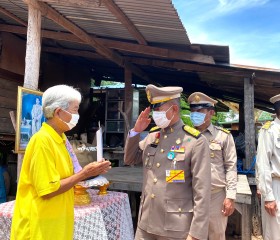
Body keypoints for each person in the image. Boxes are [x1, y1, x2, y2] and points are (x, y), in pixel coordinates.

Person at [11, 85, 111, 240]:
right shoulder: (42, 141)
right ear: (58, 112)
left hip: (56, 221)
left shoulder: (62, 139)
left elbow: (67, 176)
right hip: (39, 226)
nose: (78, 115)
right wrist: (85, 173)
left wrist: (90, 172)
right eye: (75, 109)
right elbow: (48, 190)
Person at [124, 84, 211, 240]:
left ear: (174, 110)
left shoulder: (195, 141)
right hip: (146, 222)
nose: (155, 114)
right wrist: (136, 131)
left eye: (159, 109)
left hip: (175, 227)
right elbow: (130, 159)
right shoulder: (152, 136)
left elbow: (202, 192)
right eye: (154, 110)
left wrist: (196, 233)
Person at [187, 92, 237, 240]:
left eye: (200, 111)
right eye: (193, 111)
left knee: (216, 235)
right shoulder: (185, 136)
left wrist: (230, 197)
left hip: (215, 196)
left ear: (211, 112)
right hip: (190, 195)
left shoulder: (223, 136)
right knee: (190, 235)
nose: (195, 114)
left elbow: (231, 167)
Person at [255, 94, 280, 240]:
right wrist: (268, 196)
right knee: (275, 233)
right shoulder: (269, 130)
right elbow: (263, 164)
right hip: (275, 186)